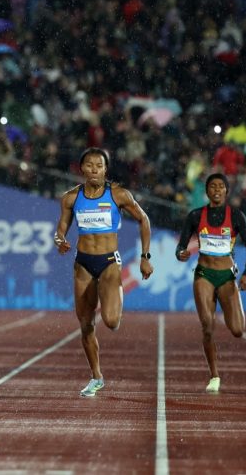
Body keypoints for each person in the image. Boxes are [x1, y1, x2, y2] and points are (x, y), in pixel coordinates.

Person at [54, 147, 153, 397]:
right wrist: (61, 239)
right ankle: (96, 376)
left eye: (99, 165)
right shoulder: (71, 198)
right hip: (83, 262)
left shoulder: (118, 194)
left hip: (109, 261)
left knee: (110, 322)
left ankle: (112, 296)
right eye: (89, 165)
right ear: (82, 168)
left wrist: (144, 257)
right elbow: (61, 227)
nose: (94, 169)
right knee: (85, 324)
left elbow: (144, 220)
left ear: (105, 169)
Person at [175, 173, 246, 393]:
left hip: (227, 276)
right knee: (207, 328)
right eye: (212, 186)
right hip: (204, 274)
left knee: (238, 330)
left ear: (226, 191)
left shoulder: (236, 216)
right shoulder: (195, 215)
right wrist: (180, 253)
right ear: (207, 191)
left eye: (221, 186)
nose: (217, 190)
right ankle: (214, 375)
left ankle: (223, 312)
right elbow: (180, 246)